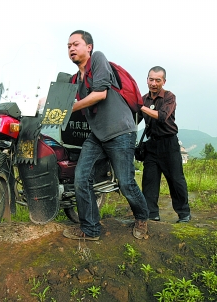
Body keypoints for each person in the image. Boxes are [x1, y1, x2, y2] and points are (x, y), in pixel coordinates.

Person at [62, 30, 149, 240]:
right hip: (98, 135)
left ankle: (142, 218)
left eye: (76, 44)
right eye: (68, 46)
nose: (71, 48)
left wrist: (69, 108)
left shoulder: (98, 59)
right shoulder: (76, 79)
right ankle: (90, 229)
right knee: (81, 179)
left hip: (120, 131)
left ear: (88, 47)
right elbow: (60, 99)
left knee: (126, 183)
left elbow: (101, 93)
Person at [139, 66, 191, 223]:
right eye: (151, 79)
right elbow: (134, 118)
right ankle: (151, 214)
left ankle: (184, 213)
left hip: (169, 143)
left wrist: (140, 107)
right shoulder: (144, 99)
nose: (153, 83)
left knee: (176, 180)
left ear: (164, 81)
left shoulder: (169, 97)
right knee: (149, 181)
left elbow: (161, 116)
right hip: (152, 144)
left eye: (157, 80)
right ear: (147, 79)